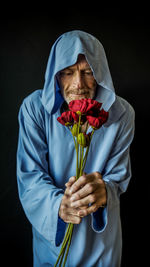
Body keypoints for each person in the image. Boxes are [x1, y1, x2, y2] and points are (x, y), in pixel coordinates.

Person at [17, 30, 135, 267]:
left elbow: (118, 178)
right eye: (68, 73)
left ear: (100, 74)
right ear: (56, 76)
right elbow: (30, 178)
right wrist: (60, 206)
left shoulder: (122, 114)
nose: (78, 84)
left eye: (88, 72)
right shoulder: (34, 109)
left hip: (101, 245)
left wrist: (103, 190)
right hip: (53, 245)